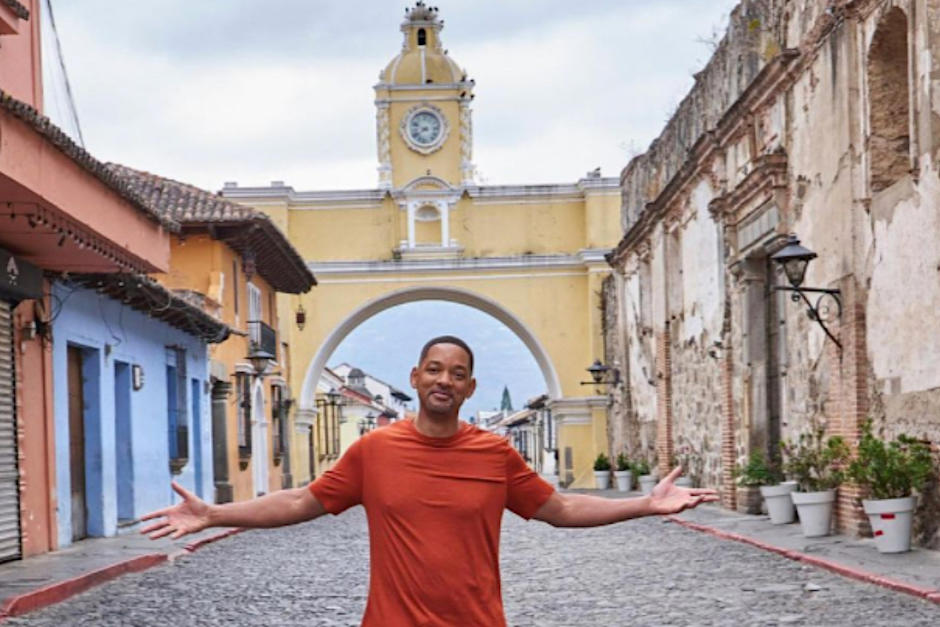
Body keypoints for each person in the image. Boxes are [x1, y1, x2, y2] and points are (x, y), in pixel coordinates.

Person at [142, 335, 718, 626]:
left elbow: (560, 510)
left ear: (470, 388)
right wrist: (215, 514)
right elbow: (302, 501)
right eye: (435, 370)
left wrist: (645, 504)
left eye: (458, 374)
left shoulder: (495, 455)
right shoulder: (374, 450)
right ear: (416, 377)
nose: (445, 380)